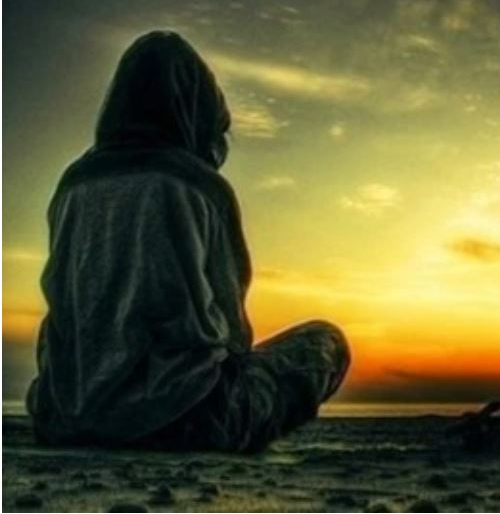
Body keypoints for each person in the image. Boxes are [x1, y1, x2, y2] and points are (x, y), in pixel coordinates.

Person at [26, 31, 350, 452]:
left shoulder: (71, 185)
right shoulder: (201, 186)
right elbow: (234, 336)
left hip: (65, 419)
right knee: (327, 341)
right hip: (186, 420)